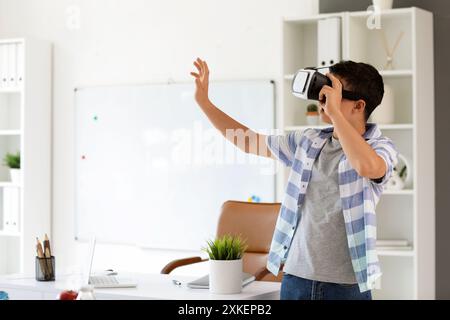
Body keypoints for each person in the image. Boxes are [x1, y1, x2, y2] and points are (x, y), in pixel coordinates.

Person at [190, 58, 398, 300]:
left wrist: (335, 115)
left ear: (358, 105)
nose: (323, 99)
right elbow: (248, 141)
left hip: (347, 285)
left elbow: (367, 167)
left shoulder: (380, 148)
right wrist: (204, 103)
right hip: (296, 278)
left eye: (333, 93)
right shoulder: (308, 141)